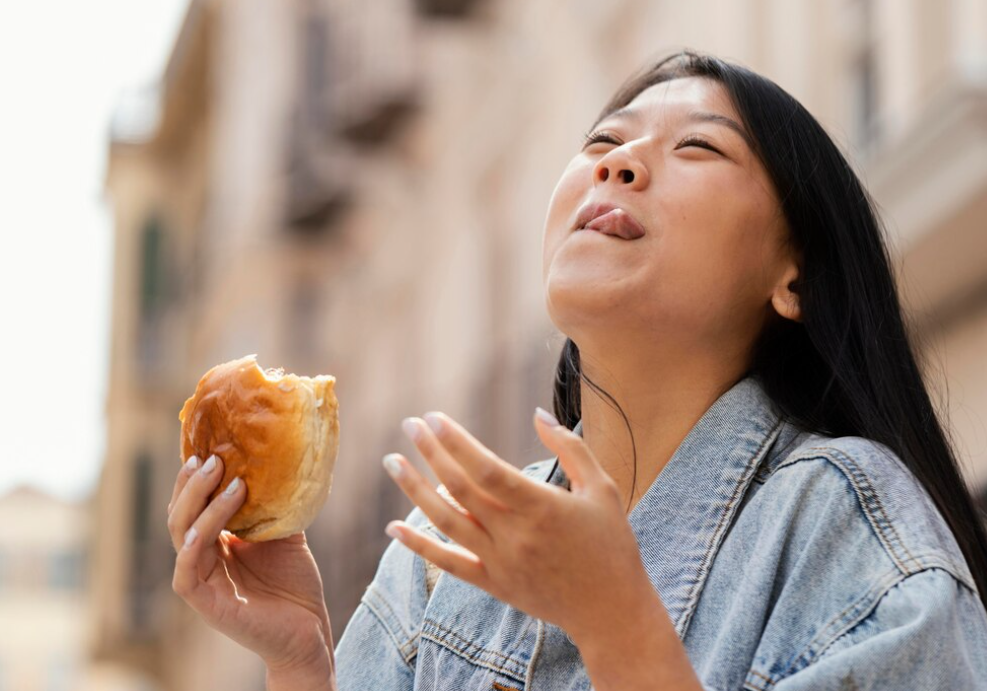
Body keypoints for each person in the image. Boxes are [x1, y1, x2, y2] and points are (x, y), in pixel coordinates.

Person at [166, 51, 987, 690]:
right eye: (601, 141)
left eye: (697, 146)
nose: (616, 164)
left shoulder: (842, 522)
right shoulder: (432, 563)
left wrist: (618, 627)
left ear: (794, 277)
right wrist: (305, 659)